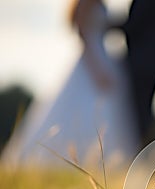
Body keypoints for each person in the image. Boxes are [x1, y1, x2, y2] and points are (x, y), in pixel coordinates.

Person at [1, 0, 138, 169]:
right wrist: (96, 69)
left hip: (104, 57)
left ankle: (106, 163)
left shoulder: (101, 4)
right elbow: (83, 34)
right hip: (91, 60)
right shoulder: (86, 2)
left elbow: (113, 25)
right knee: (83, 110)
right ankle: (64, 160)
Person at [122, 0, 155, 148]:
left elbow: (136, 24)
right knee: (143, 111)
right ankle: (145, 150)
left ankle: (144, 151)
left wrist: (106, 25)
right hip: (153, 61)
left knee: (140, 113)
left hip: (145, 62)